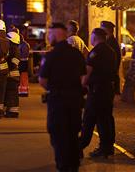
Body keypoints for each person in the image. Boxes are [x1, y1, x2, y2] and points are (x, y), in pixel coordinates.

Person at [38, 22, 86, 172]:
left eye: (50, 34)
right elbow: (83, 78)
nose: (48, 37)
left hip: (57, 101)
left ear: (56, 34)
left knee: (58, 134)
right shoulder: (77, 54)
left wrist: (53, 89)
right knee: (72, 132)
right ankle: (74, 164)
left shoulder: (51, 55)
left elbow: (42, 80)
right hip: (75, 100)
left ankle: (64, 166)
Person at [79, 28, 117, 158]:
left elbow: (87, 72)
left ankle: (79, 146)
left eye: (91, 36)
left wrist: (81, 85)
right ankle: (107, 147)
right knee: (105, 119)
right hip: (108, 90)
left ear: (95, 37)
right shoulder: (111, 51)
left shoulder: (95, 52)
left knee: (89, 118)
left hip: (96, 91)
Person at [101, 21, 121, 95]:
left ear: (107, 30)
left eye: (102, 29)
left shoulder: (111, 43)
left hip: (111, 75)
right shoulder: (108, 41)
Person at [5, 31, 21, 118]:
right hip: (13, 76)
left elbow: (13, 64)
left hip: (12, 76)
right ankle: (11, 111)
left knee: (12, 93)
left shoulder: (14, 50)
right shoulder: (15, 50)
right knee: (12, 94)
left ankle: (12, 112)